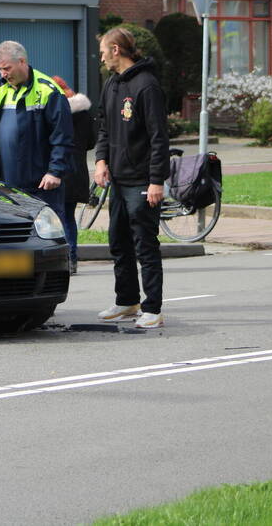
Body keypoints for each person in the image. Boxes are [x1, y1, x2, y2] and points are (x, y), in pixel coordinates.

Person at [94, 26, 170, 329]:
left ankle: (153, 308)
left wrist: (156, 181)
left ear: (116, 50)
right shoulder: (111, 84)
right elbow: (104, 127)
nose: (101, 59)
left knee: (145, 245)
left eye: (103, 52)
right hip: (119, 180)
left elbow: (158, 137)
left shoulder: (146, 85)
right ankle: (127, 300)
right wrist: (101, 160)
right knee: (119, 242)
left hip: (141, 181)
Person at [0, 40, 73, 232]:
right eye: (0, 70)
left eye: (7, 68)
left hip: (40, 182)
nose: (3, 74)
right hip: (6, 182)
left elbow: (62, 136)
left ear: (22, 61)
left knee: (47, 232)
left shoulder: (48, 90)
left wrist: (55, 171)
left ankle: (65, 262)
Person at [51, 75, 96, 276]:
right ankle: (72, 258)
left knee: (55, 217)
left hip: (57, 170)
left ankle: (60, 260)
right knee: (68, 217)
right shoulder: (84, 112)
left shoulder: (55, 111)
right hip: (77, 170)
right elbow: (91, 142)